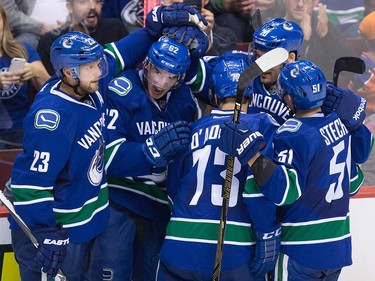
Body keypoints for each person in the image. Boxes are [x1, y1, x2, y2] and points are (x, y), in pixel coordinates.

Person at [8, 4, 208, 281]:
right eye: (92, 67)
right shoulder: (52, 118)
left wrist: (155, 25)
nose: (101, 71)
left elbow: (122, 53)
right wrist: (45, 233)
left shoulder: (90, 87)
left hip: (84, 226)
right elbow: (29, 186)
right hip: (54, 232)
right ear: (69, 73)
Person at [219, 60, 373, 280]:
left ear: (289, 98)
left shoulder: (291, 133)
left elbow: (284, 192)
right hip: (337, 248)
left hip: (302, 248)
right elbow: (354, 183)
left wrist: (252, 156)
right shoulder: (338, 126)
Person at [157, 54, 280, 281]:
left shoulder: (193, 128)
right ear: (251, 95)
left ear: (214, 94)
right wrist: (267, 233)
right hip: (234, 252)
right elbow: (263, 189)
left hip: (179, 248)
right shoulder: (264, 126)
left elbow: (173, 186)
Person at [101, 34, 209, 281]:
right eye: (158, 72)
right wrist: (149, 151)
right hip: (120, 200)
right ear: (146, 64)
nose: (161, 83)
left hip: (160, 206)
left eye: (172, 77)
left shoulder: (184, 100)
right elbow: (106, 156)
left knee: (151, 275)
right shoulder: (122, 90)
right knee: (113, 273)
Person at [0, 4, 50, 149]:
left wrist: (34, 71)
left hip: (20, 128)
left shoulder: (22, 50)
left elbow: (49, 88)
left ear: (4, 22)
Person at [37, 0, 129, 75]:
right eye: (83, 1)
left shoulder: (116, 27)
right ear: (70, 7)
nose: (92, 6)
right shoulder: (52, 41)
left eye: (97, 1)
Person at [247, 17, 304, 125]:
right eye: (259, 56)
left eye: (269, 59)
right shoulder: (242, 70)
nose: (261, 66)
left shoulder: (305, 91)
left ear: (290, 58)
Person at [283, 0, 353, 79]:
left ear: (315, 2)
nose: (300, 4)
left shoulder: (325, 27)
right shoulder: (273, 30)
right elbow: (284, 72)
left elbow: (349, 65)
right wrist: (304, 41)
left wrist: (326, 37)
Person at [2, 0, 67, 49]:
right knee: (22, 46)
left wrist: (71, 24)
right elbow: (7, 12)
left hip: (69, 28)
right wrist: (41, 27)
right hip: (32, 31)